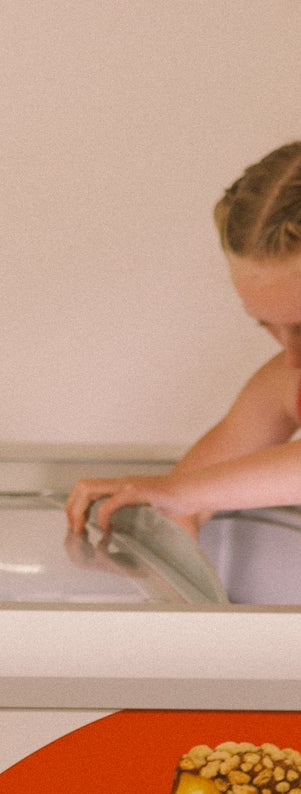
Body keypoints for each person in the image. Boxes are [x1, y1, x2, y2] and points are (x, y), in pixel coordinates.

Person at [67, 143, 301, 540]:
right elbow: (172, 514)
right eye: (266, 325)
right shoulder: (285, 384)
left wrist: (179, 492)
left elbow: (181, 495)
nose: (292, 356)